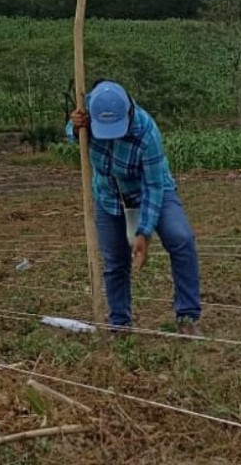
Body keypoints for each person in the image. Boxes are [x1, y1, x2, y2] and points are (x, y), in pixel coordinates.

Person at [67, 80, 202, 336]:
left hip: (149, 191)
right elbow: (73, 133)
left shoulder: (146, 131)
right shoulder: (89, 113)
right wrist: (74, 127)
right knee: (115, 260)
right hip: (108, 196)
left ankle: (188, 316)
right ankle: (120, 324)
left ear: (128, 113)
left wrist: (143, 232)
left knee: (181, 238)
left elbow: (153, 185)